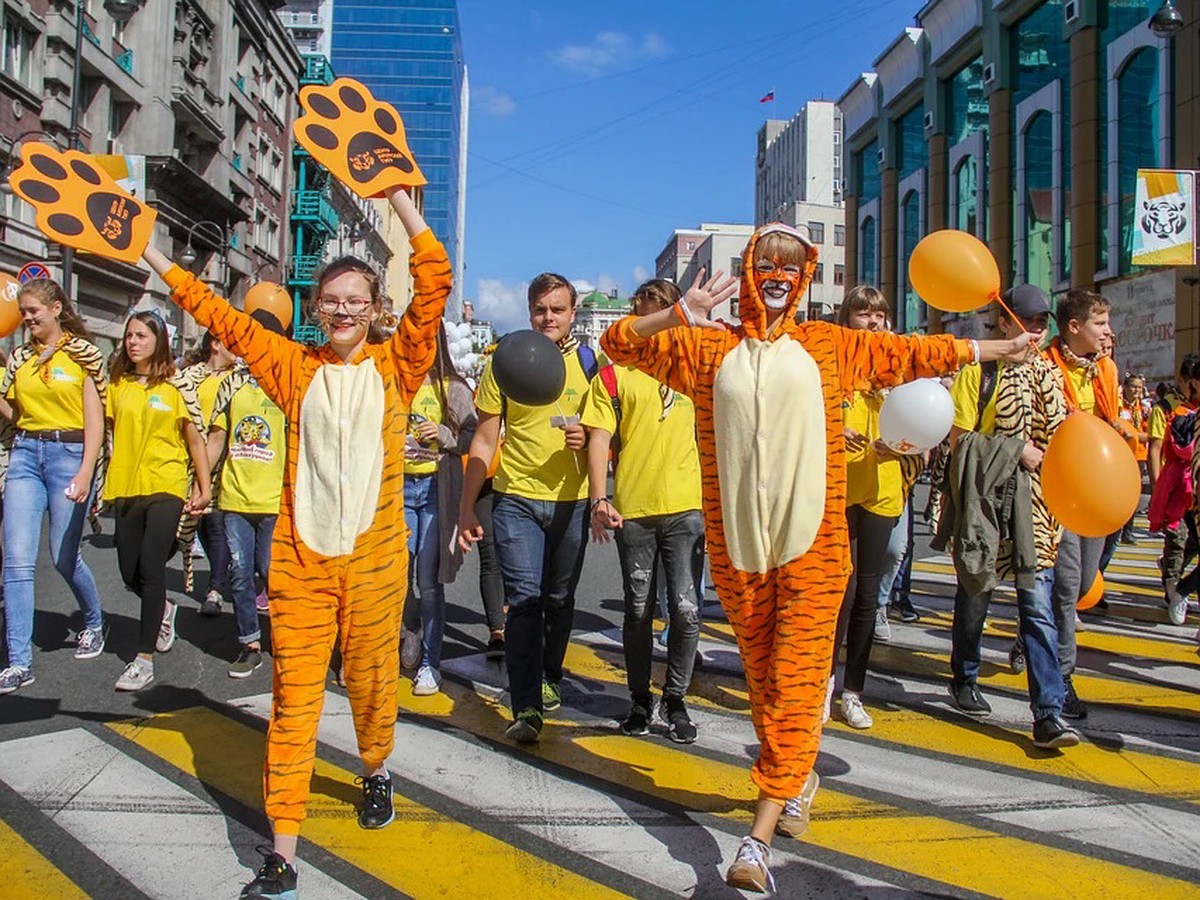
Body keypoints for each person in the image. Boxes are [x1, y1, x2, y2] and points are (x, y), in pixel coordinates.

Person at [600, 221, 1036, 892]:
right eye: (766, 261)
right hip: (740, 551)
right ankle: (798, 773)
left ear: (804, 277)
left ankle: (757, 839)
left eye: (791, 263)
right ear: (749, 271)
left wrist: (1002, 345)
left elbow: (915, 354)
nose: (777, 273)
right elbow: (613, 344)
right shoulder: (705, 351)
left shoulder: (831, 345)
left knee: (801, 683)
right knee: (768, 687)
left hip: (816, 550)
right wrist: (676, 314)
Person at [139, 185, 447, 898]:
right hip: (302, 564)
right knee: (294, 701)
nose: (342, 311)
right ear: (315, 307)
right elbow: (211, 310)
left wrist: (399, 197)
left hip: (374, 564)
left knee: (371, 687)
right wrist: (147, 249)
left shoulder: (398, 365)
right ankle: (282, 851)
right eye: (330, 300)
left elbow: (435, 276)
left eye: (355, 301)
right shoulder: (290, 367)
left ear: (374, 310)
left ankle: (375, 769)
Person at [937, 284, 1077, 748]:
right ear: (1003, 322)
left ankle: (1048, 714)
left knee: (1036, 608)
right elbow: (957, 443)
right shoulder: (981, 371)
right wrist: (1016, 451)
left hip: (1038, 509)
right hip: (988, 504)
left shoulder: (1052, 375)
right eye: (1028, 321)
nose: (1036, 331)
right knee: (976, 595)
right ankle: (965, 674)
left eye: (1042, 323)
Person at [458, 273, 596, 744]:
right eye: (540, 309)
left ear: (572, 313)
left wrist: (591, 441)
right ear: (529, 311)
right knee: (524, 602)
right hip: (515, 499)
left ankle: (550, 675)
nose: (549, 317)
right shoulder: (504, 362)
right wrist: (465, 506)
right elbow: (484, 436)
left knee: (559, 601)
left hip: (571, 503)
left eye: (558, 309)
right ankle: (527, 708)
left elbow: (608, 438)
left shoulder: (590, 364)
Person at [583, 278, 705, 744]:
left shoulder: (695, 374)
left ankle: (675, 700)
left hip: (687, 510)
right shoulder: (615, 375)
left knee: (687, 609)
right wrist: (599, 499)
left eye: (660, 314)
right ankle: (639, 701)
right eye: (643, 315)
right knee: (637, 610)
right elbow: (598, 437)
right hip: (633, 510)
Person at [0, 279, 107, 695]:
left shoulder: (83, 355)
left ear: (56, 308)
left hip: (69, 456)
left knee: (64, 557)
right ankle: (18, 661)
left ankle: (95, 620)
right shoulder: (20, 359)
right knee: (17, 562)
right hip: (26, 454)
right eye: (23, 312)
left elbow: (95, 421)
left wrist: (85, 472)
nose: (26, 319)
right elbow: (16, 413)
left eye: (33, 312)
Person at [831, 286, 927, 729]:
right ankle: (823, 684)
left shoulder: (901, 368)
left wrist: (905, 449)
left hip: (884, 491)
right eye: (862, 313)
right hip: (838, 489)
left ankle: (853, 691)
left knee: (868, 595)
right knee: (840, 594)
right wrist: (837, 428)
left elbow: (926, 433)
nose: (872, 321)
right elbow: (805, 416)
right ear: (846, 318)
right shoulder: (830, 361)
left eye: (879, 313)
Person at [105, 310, 211, 692]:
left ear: (158, 342)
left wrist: (203, 487)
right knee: (128, 571)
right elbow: (105, 431)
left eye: (141, 336)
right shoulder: (116, 385)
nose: (133, 342)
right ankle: (164, 609)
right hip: (126, 486)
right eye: (129, 336)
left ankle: (143, 660)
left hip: (166, 485)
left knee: (151, 567)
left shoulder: (176, 387)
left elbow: (195, 440)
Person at [1045, 290, 1125, 720]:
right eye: (1101, 324)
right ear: (1074, 328)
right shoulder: (1045, 367)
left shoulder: (1106, 370)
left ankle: (1033, 634)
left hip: (1096, 489)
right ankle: (1062, 680)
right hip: (1057, 489)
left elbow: (1110, 422)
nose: (1108, 331)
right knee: (1066, 580)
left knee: (1080, 584)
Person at [204, 312, 291, 679]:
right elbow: (218, 438)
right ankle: (249, 644)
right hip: (235, 500)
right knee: (240, 573)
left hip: (276, 501)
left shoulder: (287, 385)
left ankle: (290, 643)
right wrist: (199, 485)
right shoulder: (232, 386)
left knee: (275, 575)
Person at [400, 324, 477, 696]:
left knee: (428, 583)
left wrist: (445, 435)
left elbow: (474, 436)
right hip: (396, 490)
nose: (418, 346)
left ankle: (431, 663)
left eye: (426, 340)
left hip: (433, 491)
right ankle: (408, 630)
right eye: (411, 339)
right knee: (396, 579)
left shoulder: (453, 387)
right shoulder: (393, 380)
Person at [185, 332, 237, 616]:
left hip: (222, 458)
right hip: (189, 458)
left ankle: (215, 588)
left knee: (216, 522)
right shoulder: (190, 376)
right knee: (200, 523)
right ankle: (220, 572)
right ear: (215, 345)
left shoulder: (237, 378)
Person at [1148, 355, 1200, 626]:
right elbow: (1155, 449)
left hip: (1193, 489)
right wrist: (1159, 490)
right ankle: (1173, 589)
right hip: (1177, 488)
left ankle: (1177, 581)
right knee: (1178, 540)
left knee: (1190, 543)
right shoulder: (1168, 409)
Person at [1117, 373, 1148, 545]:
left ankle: (1128, 531)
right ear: (1125, 387)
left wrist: (1134, 435)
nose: (1136, 390)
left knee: (1133, 496)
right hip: (1121, 454)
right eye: (1133, 386)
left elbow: (1148, 434)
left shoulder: (1143, 409)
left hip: (1139, 456)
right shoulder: (1118, 406)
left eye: (1139, 387)